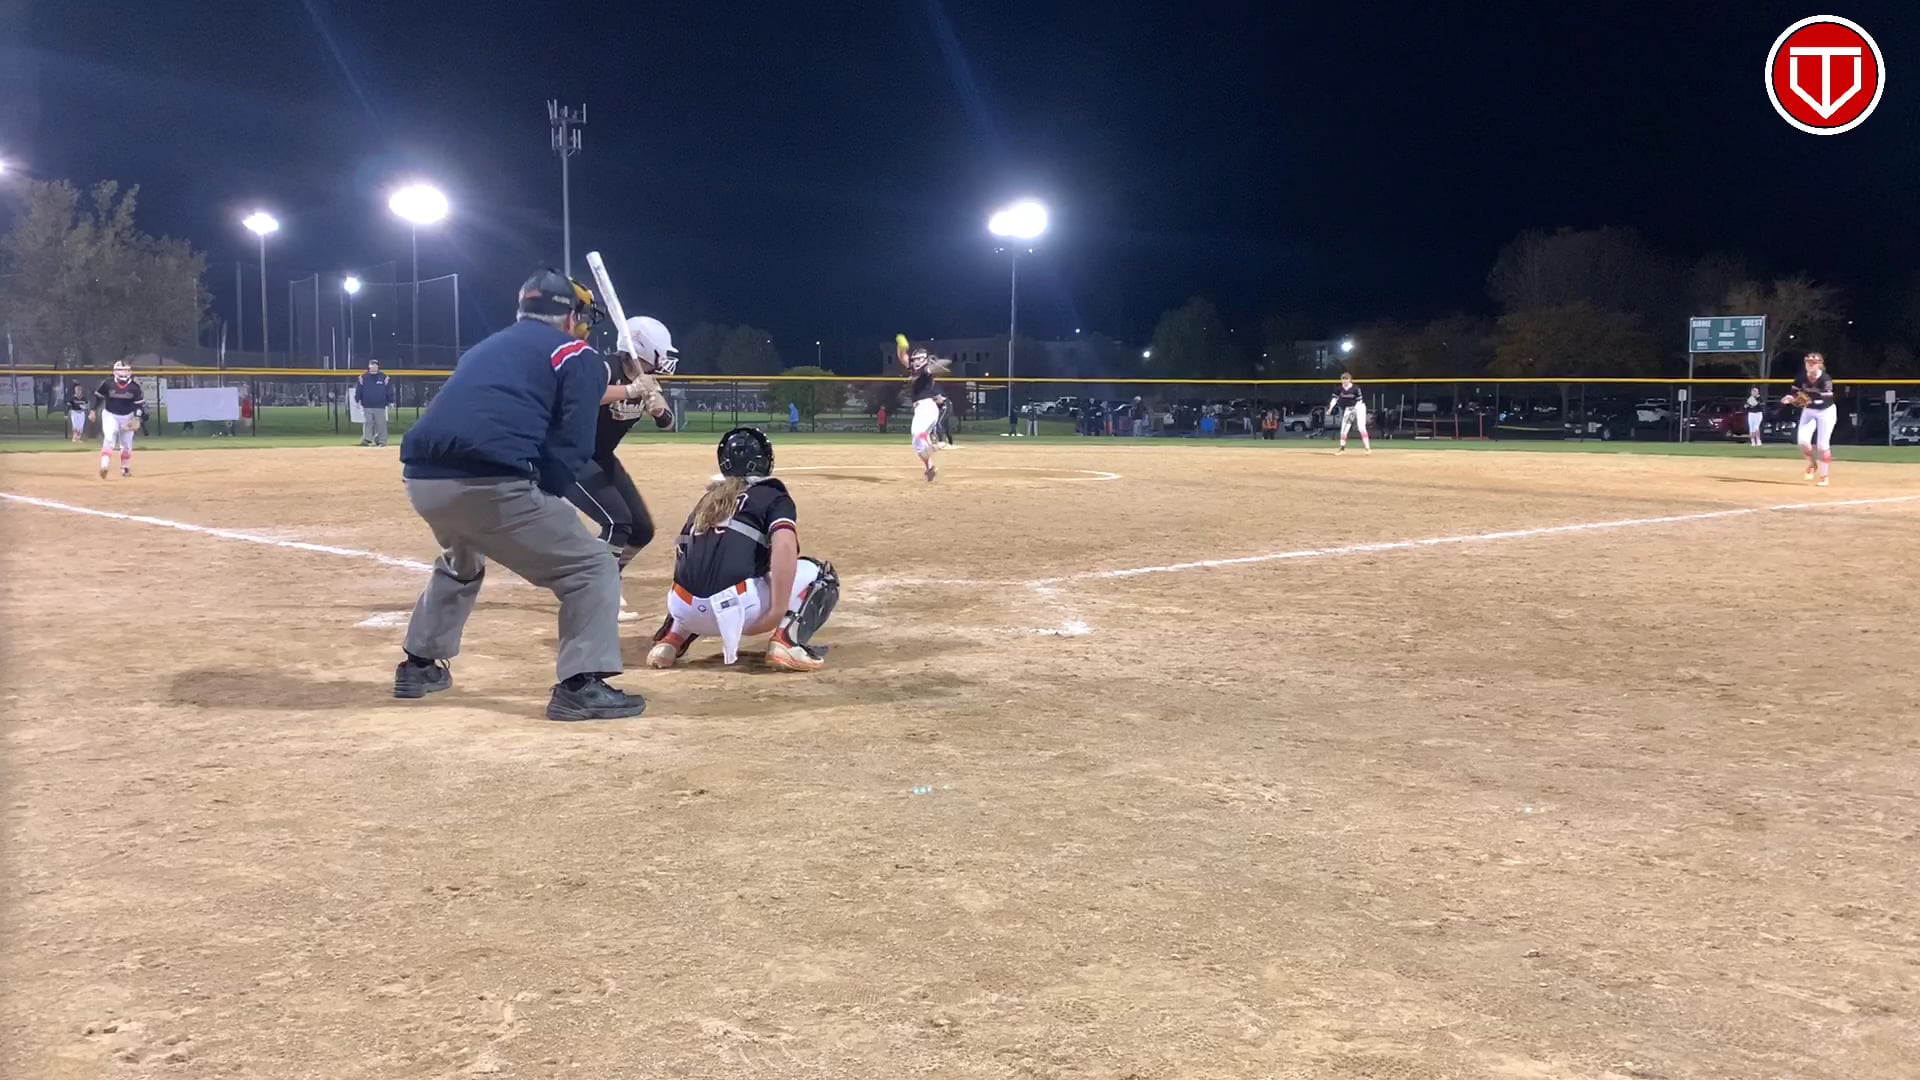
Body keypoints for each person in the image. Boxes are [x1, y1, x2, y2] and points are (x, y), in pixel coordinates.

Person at [393, 268, 646, 722]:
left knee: (461, 560)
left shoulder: (485, 348)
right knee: (592, 566)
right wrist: (544, 496)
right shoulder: (577, 354)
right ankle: (581, 686)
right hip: (491, 483)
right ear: (570, 316)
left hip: (422, 482)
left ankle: (419, 666)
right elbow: (573, 447)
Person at [646, 427, 838, 673]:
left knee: (705, 568)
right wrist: (777, 611)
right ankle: (787, 642)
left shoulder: (708, 499)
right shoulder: (772, 494)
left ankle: (670, 640)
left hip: (682, 608)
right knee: (822, 574)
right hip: (738, 611)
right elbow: (784, 546)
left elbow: (684, 553)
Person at [566, 315, 677, 581]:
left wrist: (659, 411)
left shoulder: (646, 380)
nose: (663, 361)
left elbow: (668, 424)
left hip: (602, 457)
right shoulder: (605, 367)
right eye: (659, 353)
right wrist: (630, 390)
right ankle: (595, 587)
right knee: (617, 522)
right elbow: (585, 394)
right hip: (571, 455)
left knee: (641, 530)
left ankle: (608, 576)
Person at [895, 334, 950, 481]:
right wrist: (901, 346)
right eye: (915, 359)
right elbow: (902, 357)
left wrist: (933, 365)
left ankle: (933, 444)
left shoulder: (926, 371)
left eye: (920, 359)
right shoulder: (914, 371)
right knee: (917, 445)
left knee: (917, 433)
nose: (916, 362)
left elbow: (945, 363)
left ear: (925, 359)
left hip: (927, 407)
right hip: (920, 411)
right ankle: (930, 468)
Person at [1784, 351, 1837, 487]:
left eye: (1814, 363)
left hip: (1826, 412)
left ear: (1820, 364)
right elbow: (1794, 393)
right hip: (1809, 411)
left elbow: (1826, 400)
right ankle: (1812, 464)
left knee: (1822, 446)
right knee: (1802, 441)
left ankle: (1824, 476)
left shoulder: (1825, 379)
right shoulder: (1801, 377)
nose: (1811, 365)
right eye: (1809, 362)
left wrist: (1807, 401)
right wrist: (1790, 398)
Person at [88, 361, 146, 478]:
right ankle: (104, 465)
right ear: (115, 371)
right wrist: (93, 410)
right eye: (120, 370)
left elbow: (139, 405)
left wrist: (137, 417)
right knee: (109, 438)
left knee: (126, 444)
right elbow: (98, 397)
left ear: (130, 372)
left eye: (126, 370)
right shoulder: (108, 383)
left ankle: (125, 467)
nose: (123, 372)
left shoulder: (134, 387)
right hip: (110, 415)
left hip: (128, 416)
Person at [1328, 372, 1371, 453]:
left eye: (1346, 379)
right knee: (1344, 428)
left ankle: (1367, 448)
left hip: (1359, 407)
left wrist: (1354, 410)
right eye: (1343, 379)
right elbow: (1334, 399)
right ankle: (1342, 448)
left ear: (1350, 380)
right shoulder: (1339, 389)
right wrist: (1330, 408)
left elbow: (1359, 400)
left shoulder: (1355, 388)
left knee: (1361, 427)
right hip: (1349, 408)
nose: (1345, 381)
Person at [357, 360, 393, 447]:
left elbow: (389, 390)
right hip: (367, 404)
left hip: (380, 405)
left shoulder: (384, 377)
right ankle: (366, 439)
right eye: (372, 365)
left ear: (378, 366)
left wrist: (391, 401)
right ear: (369, 366)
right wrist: (357, 400)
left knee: (381, 424)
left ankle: (381, 441)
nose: (374, 366)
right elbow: (359, 389)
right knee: (368, 422)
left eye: (375, 365)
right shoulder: (363, 377)